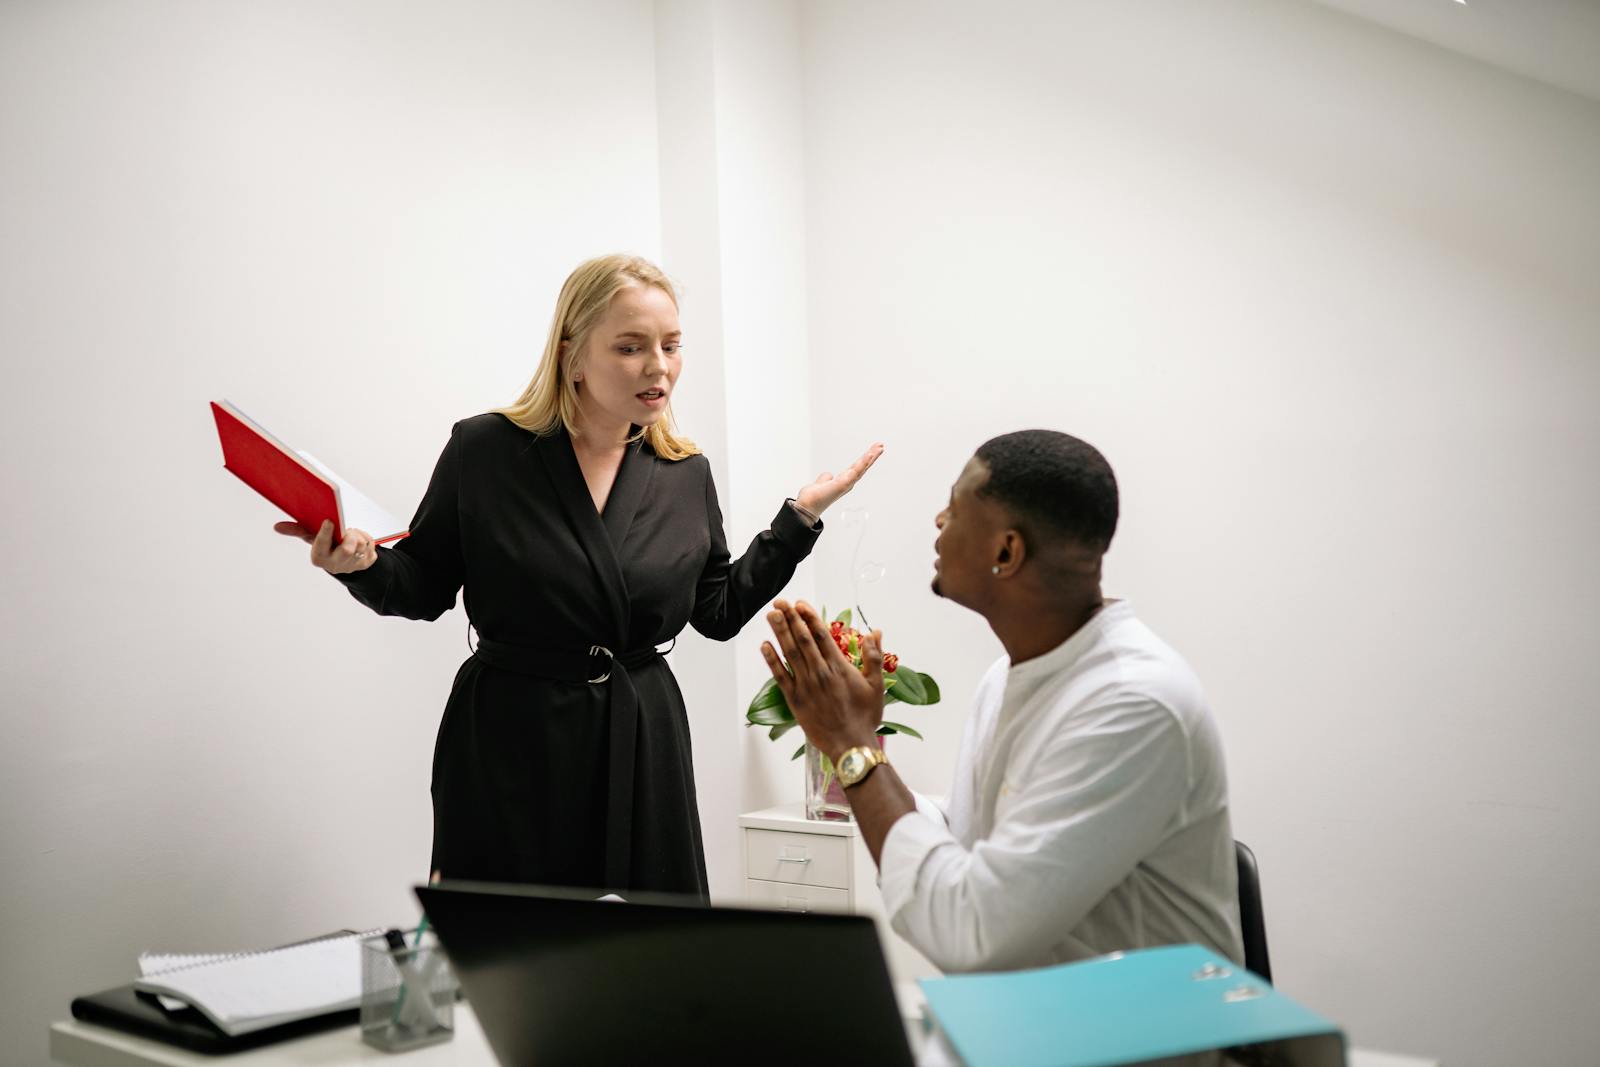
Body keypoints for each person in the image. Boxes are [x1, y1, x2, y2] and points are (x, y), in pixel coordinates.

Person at [275, 254, 881, 899]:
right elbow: (423, 585)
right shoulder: (484, 451)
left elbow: (717, 611)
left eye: (671, 345)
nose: (659, 366)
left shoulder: (684, 472)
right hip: (510, 738)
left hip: (642, 737)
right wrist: (363, 564)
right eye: (631, 347)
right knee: (511, 939)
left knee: (646, 946)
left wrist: (798, 520)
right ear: (572, 355)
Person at [760, 430, 1242, 972]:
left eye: (954, 508)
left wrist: (852, 746)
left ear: (1006, 551)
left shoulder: (1133, 703)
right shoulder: (1008, 676)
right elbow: (963, 832)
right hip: (1034, 1010)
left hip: (1143, 1023)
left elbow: (971, 935)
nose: (938, 521)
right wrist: (851, 743)